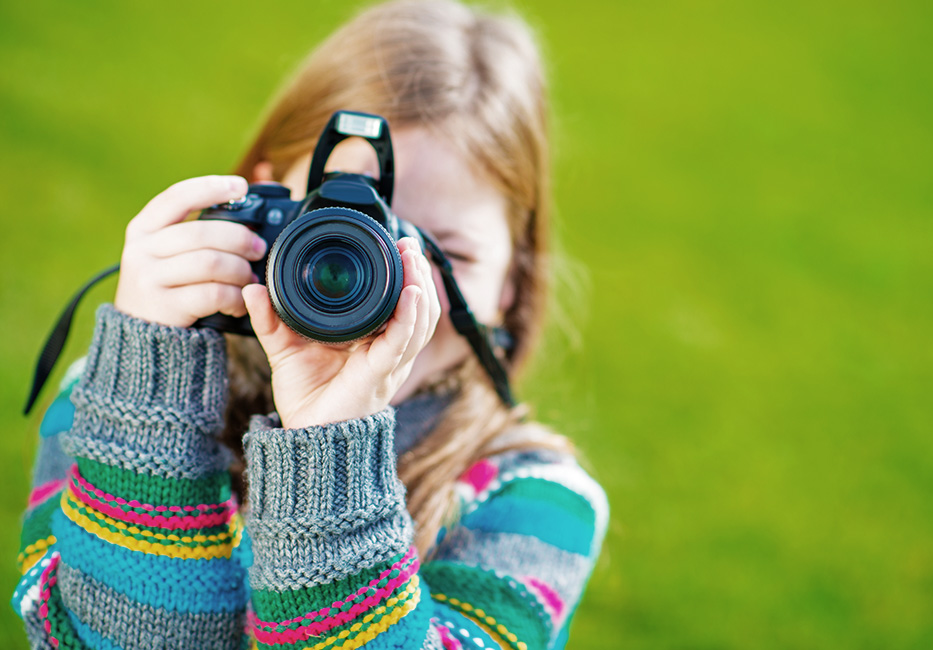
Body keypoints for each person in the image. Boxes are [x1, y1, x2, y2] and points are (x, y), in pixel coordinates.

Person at [14, 1, 608, 648]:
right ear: (254, 212)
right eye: (337, 235)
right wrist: (147, 391)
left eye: (444, 254)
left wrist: (332, 449)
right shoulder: (109, 403)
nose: (389, 282)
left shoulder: (537, 501)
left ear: (510, 286)